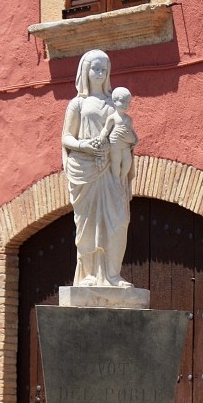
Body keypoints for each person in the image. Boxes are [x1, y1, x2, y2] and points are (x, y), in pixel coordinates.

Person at [61, 50, 135, 288]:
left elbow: (125, 131)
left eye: (104, 69)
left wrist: (126, 141)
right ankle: (89, 274)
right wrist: (84, 146)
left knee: (119, 221)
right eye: (96, 69)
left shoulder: (115, 102)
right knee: (88, 224)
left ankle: (113, 275)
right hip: (86, 169)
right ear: (85, 71)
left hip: (113, 169)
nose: (101, 74)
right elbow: (66, 138)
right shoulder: (78, 104)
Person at [97, 87, 138, 185]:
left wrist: (135, 139)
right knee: (116, 161)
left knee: (127, 161)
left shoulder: (129, 119)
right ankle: (116, 179)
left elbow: (131, 131)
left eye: (128, 102)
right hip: (115, 142)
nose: (125, 105)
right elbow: (106, 129)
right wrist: (102, 136)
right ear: (114, 101)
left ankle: (123, 177)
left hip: (126, 143)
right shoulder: (112, 117)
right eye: (122, 101)